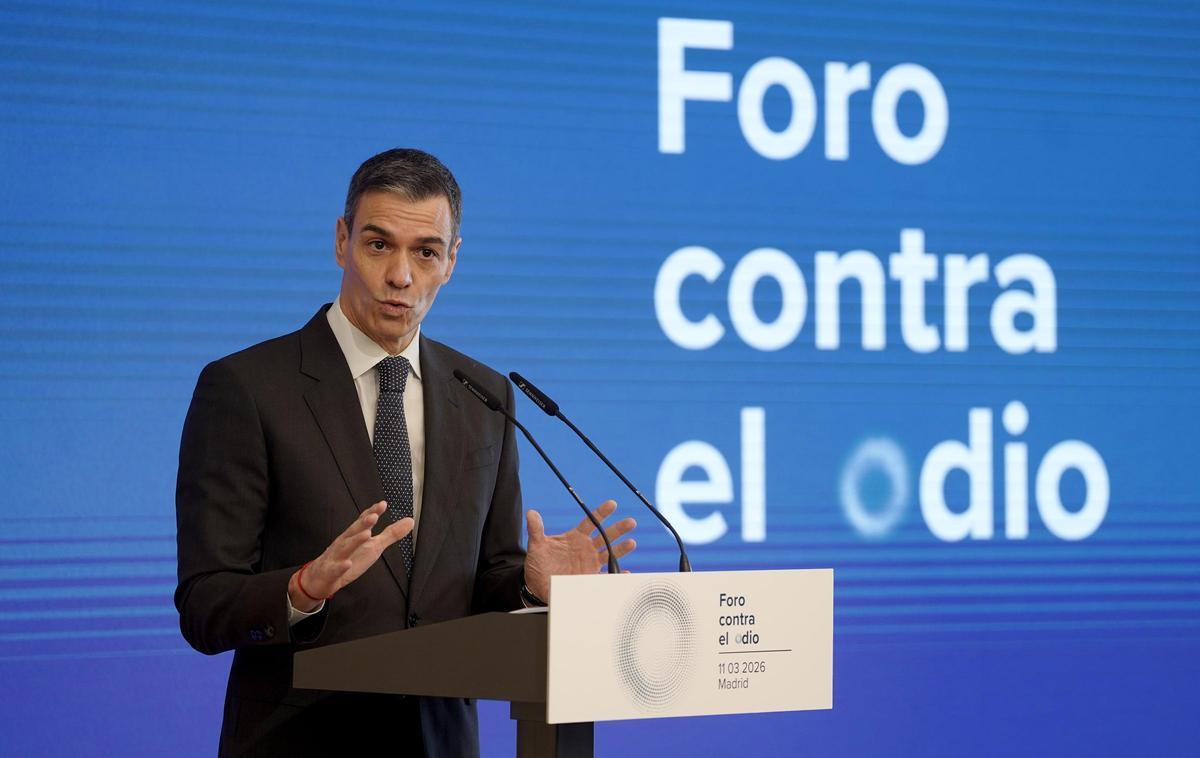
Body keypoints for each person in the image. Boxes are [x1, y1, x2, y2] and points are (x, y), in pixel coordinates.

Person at [174, 148, 636, 757]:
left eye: (425, 252)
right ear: (341, 242)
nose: (400, 276)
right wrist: (302, 589)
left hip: (441, 741)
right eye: (378, 245)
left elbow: (485, 578)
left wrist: (529, 589)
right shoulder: (248, 388)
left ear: (451, 261)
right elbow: (205, 603)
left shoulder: (483, 395)